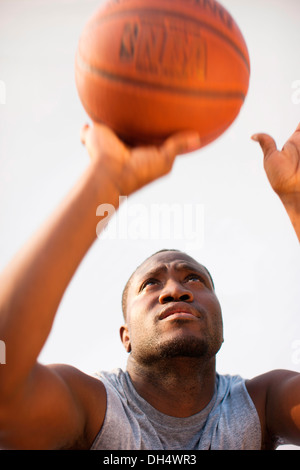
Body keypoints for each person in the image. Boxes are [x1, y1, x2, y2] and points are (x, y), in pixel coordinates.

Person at [0, 122, 299, 451]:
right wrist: (106, 180)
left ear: (221, 324)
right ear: (125, 335)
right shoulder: (91, 406)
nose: (175, 290)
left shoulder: (263, 403)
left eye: (194, 279)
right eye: (151, 283)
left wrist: (296, 201)